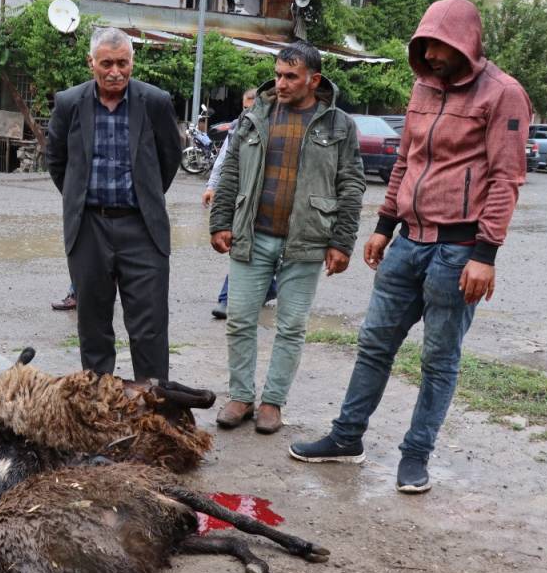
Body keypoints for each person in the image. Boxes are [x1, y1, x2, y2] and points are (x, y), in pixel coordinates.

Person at [289, 0, 531, 493]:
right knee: (374, 343)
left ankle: (416, 455)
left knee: (439, 360)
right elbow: (405, 161)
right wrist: (383, 225)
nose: (434, 55)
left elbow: (506, 179)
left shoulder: (504, 94)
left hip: (459, 250)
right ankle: (346, 437)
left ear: (468, 43)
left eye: (443, 46)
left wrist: (486, 255)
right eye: (426, 46)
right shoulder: (422, 87)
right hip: (407, 243)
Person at [209, 42, 366, 435]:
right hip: (252, 233)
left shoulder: (338, 125)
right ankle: (241, 396)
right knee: (240, 319)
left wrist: (342, 242)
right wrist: (220, 221)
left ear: (313, 80)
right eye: (278, 74)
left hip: (306, 240)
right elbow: (231, 169)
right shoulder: (254, 115)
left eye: (290, 76)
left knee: (292, 325)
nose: (280, 83)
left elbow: (351, 184)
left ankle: (272, 403)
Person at [46, 27, 182, 382]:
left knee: (149, 327)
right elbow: (57, 162)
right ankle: (98, 409)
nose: (115, 72)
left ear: (132, 62)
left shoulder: (155, 101)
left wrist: (145, 197)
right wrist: (81, 200)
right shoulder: (69, 103)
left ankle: (154, 413)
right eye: (107, 63)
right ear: (91, 62)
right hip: (89, 228)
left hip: (142, 228)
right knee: (93, 327)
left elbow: (170, 158)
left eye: (123, 63)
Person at [203, 87, 277, 320]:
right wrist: (212, 186)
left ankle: (267, 287)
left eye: (251, 107)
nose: (247, 112)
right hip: (242, 199)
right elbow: (225, 159)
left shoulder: (273, 127)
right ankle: (228, 299)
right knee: (243, 246)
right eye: (244, 108)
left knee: (266, 250)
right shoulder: (240, 126)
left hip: (270, 203)